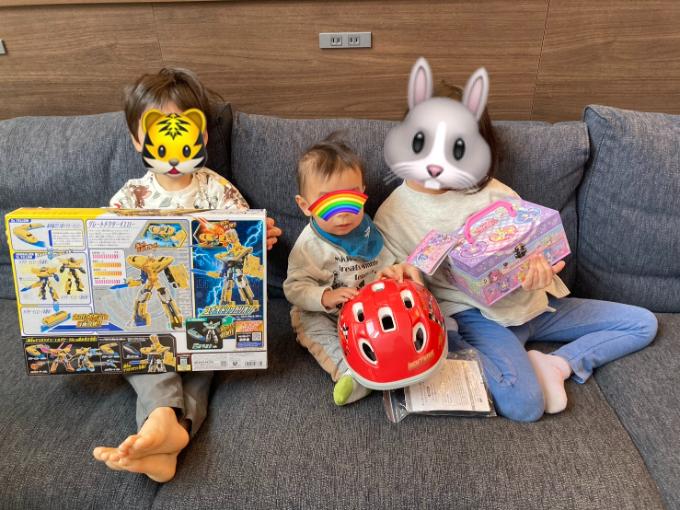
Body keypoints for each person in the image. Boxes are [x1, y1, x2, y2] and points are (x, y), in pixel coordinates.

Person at [375, 59, 657, 422]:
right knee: (525, 405)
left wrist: (541, 272)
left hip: (536, 306)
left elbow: (533, 247)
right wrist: (411, 279)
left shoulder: (493, 192)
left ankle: (555, 364)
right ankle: (464, 347)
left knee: (642, 323)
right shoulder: (393, 214)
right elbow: (400, 290)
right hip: (478, 318)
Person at [92, 67, 282, 482]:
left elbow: (242, 242)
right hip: (149, 316)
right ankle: (168, 425)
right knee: (141, 349)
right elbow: (107, 256)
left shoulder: (218, 190)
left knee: (200, 365)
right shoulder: (129, 197)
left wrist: (259, 238)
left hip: (202, 315)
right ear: (137, 139)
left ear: (202, 136)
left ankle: (164, 430)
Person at [283, 135, 419, 406]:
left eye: (351, 199)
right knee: (313, 328)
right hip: (320, 311)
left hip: (364, 308)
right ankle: (348, 374)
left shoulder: (367, 230)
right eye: (329, 203)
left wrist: (391, 273)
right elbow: (294, 288)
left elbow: (386, 262)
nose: (343, 213)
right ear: (305, 205)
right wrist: (325, 297)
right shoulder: (308, 246)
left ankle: (397, 359)